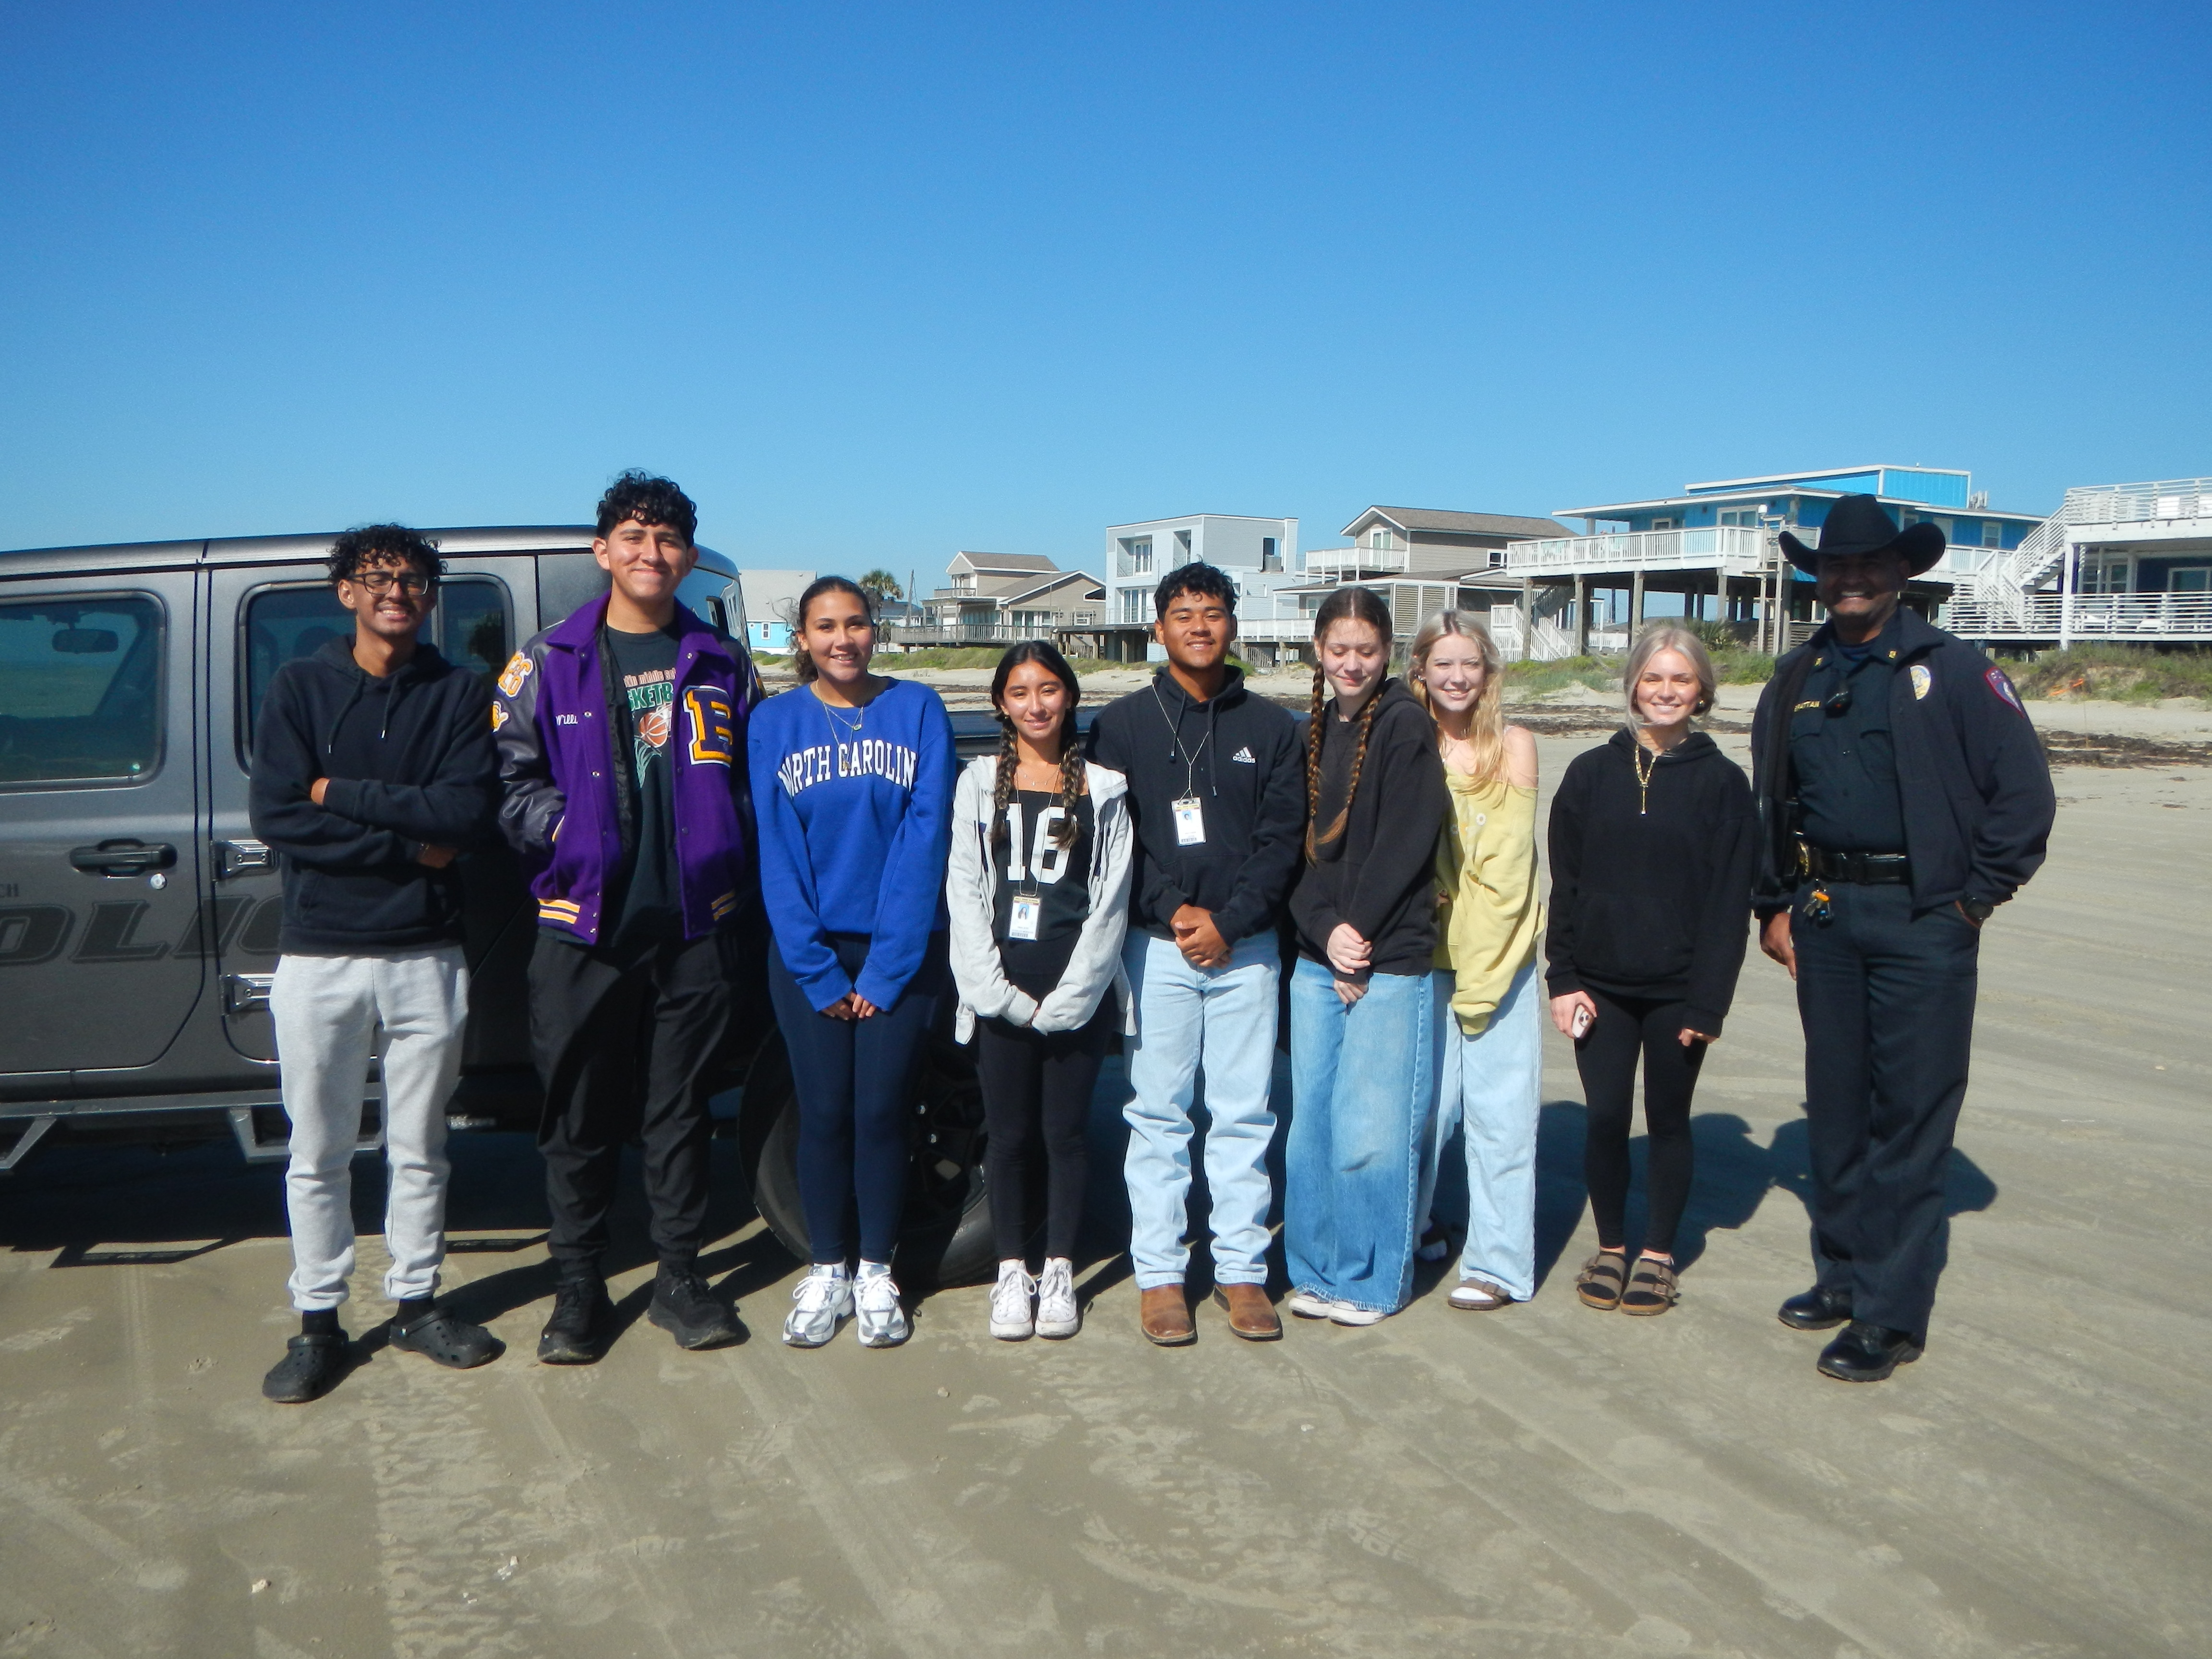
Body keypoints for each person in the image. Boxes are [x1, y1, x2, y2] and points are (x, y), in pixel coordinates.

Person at [1753, 494, 2055, 1382]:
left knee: (1911, 1117)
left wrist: (1974, 900)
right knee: (1839, 1108)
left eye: (1868, 566)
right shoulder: (1796, 677)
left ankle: (1891, 1313)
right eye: (1835, 567)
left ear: (1901, 574)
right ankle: (1842, 1277)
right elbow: (1771, 799)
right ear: (1819, 578)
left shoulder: (1954, 669)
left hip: (1925, 919)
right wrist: (1771, 901)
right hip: (1825, 918)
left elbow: (2025, 796)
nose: (1850, 579)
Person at [494, 472, 761, 1364]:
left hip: (693, 922)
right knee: (577, 1115)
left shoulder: (721, 663)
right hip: (584, 926)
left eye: (671, 540)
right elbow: (507, 782)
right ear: (602, 549)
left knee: (680, 1109)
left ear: (687, 557)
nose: (654, 554)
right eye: (636, 537)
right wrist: (566, 829)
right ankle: (578, 1287)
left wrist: (729, 851)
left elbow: (747, 782)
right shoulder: (548, 660)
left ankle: (679, 1279)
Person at [252, 524, 501, 1403]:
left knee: (419, 1147)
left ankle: (416, 1304)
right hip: (319, 954)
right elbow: (280, 815)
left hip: (425, 956)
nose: (398, 591)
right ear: (346, 592)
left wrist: (341, 794)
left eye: (415, 580)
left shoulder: (463, 694)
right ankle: (318, 1322)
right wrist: (408, 838)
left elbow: (465, 816)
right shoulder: (300, 687)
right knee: (317, 1151)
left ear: (432, 598)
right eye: (378, 577)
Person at [1087, 563, 1305, 1346]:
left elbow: (1283, 845)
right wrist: (1175, 910)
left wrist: (1232, 920)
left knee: (1244, 1114)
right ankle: (1160, 1277)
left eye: (1213, 613)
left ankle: (1242, 1271)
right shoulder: (1120, 725)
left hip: (1247, 952)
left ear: (1233, 625)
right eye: (1183, 614)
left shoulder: (1274, 729)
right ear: (1158, 629)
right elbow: (1118, 842)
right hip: (1158, 951)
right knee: (1158, 1116)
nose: (1200, 627)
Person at [749, 577, 956, 1349]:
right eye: (826, 627)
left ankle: (877, 1270)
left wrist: (887, 969)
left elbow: (924, 842)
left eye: (858, 624)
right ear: (801, 637)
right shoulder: (775, 722)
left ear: (878, 631)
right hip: (810, 956)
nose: (844, 639)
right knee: (825, 1113)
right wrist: (817, 968)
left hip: (897, 954)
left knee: (882, 1113)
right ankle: (827, 1268)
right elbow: (777, 850)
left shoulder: (917, 711)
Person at [1546, 623, 1756, 1318]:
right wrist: (1563, 978)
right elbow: (1566, 885)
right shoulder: (1589, 773)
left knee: (1667, 1118)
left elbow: (1731, 904)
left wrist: (1708, 1006)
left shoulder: (1725, 786)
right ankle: (1610, 1247)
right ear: (1633, 684)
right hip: (1599, 985)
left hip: (1677, 990)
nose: (1666, 692)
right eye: (1654, 678)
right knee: (1606, 1118)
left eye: (1681, 680)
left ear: (1702, 692)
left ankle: (1659, 1255)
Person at [946, 643, 1133, 1341]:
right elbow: (964, 890)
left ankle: (1059, 1268)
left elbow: (1111, 898)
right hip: (1003, 987)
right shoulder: (977, 781)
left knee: (1065, 1134)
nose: (1036, 704)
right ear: (1001, 703)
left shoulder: (1105, 789)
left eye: (1049, 689)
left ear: (1070, 697)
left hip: (1074, 988)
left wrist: (1075, 995)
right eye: (1021, 692)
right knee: (1012, 1136)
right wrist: (994, 991)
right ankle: (1011, 1270)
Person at [1282, 588, 1449, 1326]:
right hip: (1321, 956)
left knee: (1371, 1130)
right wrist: (1326, 933)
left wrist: (1357, 939)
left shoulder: (1405, 727)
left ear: (1388, 654)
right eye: (1339, 650)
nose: (1352, 664)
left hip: (1388, 958)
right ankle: (1317, 1270)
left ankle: (1374, 1281)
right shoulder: (1313, 730)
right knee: (1312, 1126)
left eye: (1368, 651)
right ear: (1318, 651)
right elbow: (1296, 852)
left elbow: (1408, 843)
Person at [1410, 610, 1545, 1314]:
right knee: (1422, 1111)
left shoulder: (1513, 746)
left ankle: (1499, 1264)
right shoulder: (1409, 742)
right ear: (1421, 672)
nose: (1457, 677)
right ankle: (1414, 1228)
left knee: (1501, 1115)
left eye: (1470, 664)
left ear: (1488, 673)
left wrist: (1484, 980)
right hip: (1422, 958)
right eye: (1444, 665)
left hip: (1500, 959)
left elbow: (1506, 869)